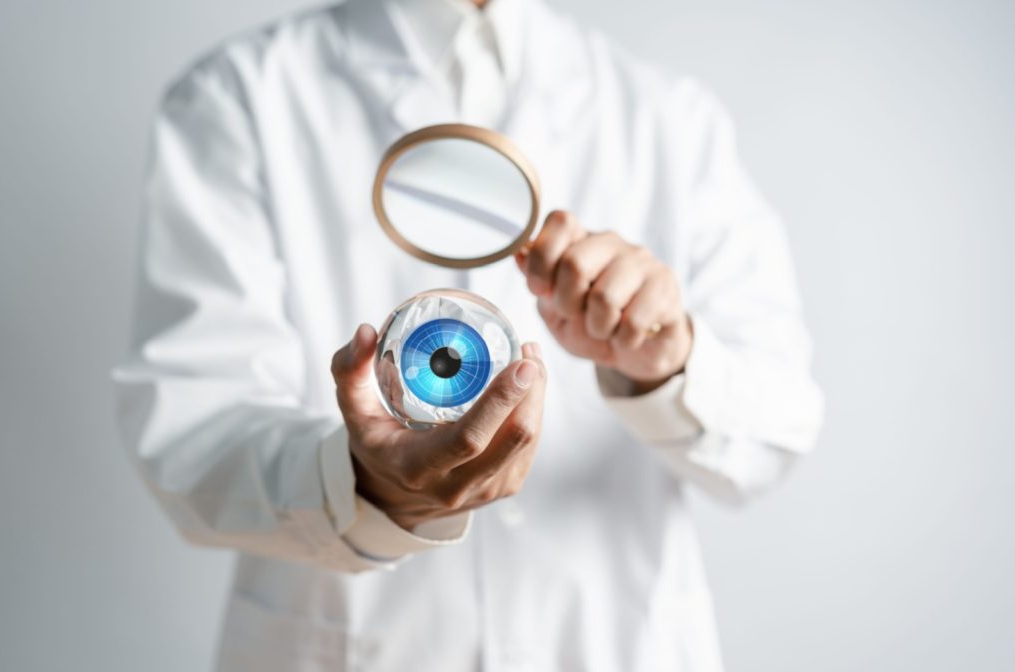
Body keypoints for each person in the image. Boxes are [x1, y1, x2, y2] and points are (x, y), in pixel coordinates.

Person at [114, 0, 823, 669]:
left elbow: (778, 433)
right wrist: (366, 487)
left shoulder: (669, 118)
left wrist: (668, 364)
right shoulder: (237, 99)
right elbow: (189, 435)